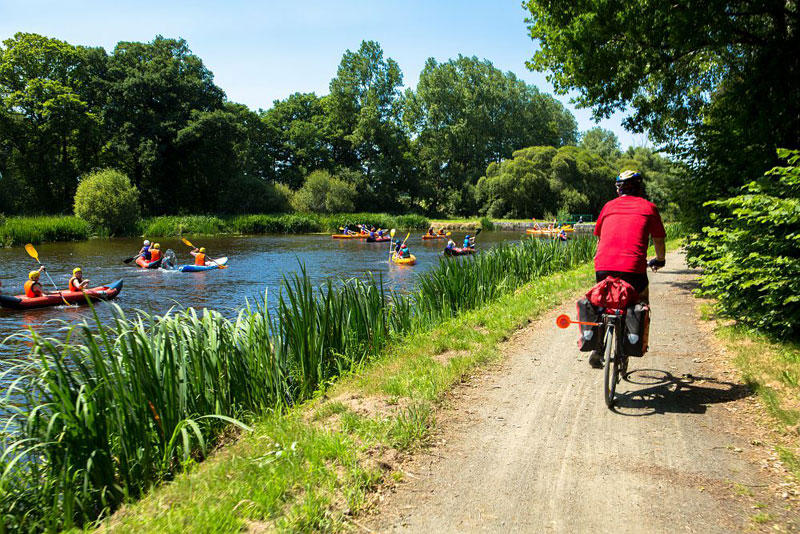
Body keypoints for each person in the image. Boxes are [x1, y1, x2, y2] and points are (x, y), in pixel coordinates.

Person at [589, 169, 666, 368]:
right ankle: (630, 344)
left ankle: (598, 348)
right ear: (639, 188)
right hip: (633, 269)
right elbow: (658, 239)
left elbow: (599, 237)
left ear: (618, 189)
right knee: (639, 300)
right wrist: (660, 260)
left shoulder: (608, 207)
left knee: (605, 301)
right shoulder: (649, 207)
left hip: (603, 266)